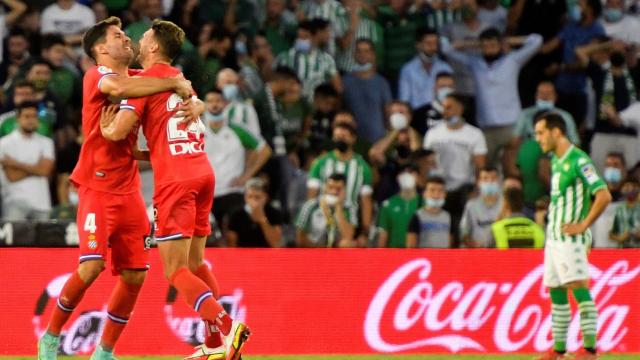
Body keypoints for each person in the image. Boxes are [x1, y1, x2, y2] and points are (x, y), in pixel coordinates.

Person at [37, 16, 195, 360]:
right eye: (118, 35)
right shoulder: (98, 76)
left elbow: (174, 79)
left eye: (126, 34)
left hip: (129, 190)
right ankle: (50, 336)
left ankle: (104, 351)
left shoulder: (138, 79)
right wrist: (174, 86)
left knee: (135, 274)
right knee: (91, 267)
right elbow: (125, 89)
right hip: (96, 187)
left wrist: (190, 98)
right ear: (99, 49)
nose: (127, 39)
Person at [98, 19, 250, 359]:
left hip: (176, 183)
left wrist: (106, 130)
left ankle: (228, 327)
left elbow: (119, 129)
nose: (138, 39)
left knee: (175, 270)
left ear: (153, 48)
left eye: (145, 36)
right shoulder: (180, 81)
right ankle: (214, 347)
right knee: (197, 262)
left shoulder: (143, 84)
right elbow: (171, 135)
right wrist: (140, 152)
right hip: (201, 171)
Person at [533, 112, 612, 360]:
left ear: (556, 132)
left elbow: (604, 195)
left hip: (570, 239)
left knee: (579, 289)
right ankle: (558, 350)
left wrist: (584, 225)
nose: (538, 139)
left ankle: (589, 350)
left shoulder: (579, 160)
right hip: (554, 239)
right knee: (556, 293)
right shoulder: (556, 160)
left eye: (540, 133)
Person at [441, 27, 543, 168]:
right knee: (486, 168)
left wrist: (506, 40)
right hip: (486, 127)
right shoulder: (475, 63)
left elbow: (537, 41)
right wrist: (474, 44)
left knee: (514, 167)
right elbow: (446, 48)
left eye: (493, 45)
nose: (489, 48)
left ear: (500, 45)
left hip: (511, 126)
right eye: (485, 45)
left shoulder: (512, 60)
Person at [203, 89, 272, 232]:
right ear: (204, 104)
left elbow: (265, 151)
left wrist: (246, 176)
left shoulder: (236, 129)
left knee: (232, 233)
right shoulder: (197, 130)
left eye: (218, 101)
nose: (214, 105)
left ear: (225, 103)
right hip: (205, 193)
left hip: (232, 191)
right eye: (210, 101)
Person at [423, 92, 487, 245]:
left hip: (464, 188)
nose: (445, 112)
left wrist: (477, 188)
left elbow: (480, 165)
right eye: (444, 108)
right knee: (441, 227)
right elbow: (426, 163)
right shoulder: (433, 134)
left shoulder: (474, 134)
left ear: (461, 109)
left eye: (450, 108)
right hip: (439, 188)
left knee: (461, 228)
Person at [307, 121, 373, 246]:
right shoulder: (320, 163)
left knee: (345, 245)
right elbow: (311, 197)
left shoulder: (362, 167)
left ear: (353, 139)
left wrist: (365, 232)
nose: (339, 140)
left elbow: (366, 202)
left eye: (344, 136)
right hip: (322, 212)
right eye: (336, 136)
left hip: (348, 214)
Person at [0, 101, 54, 221]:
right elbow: (12, 176)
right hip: (14, 202)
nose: (31, 120)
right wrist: (36, 168)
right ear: (18, 119)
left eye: (34, 116)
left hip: (42, 203)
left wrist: (16, 164)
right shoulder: (4, 143)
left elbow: (45, 171)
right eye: (27, 116)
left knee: (45, 240)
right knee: (14, 240)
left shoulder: (46, 142)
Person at [342, 38, 392, 143]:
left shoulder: (382, 82)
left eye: (366, 51)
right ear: (353, 55)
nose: (362, 54)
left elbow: (387, 112)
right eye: (359, 51)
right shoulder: (345, 82)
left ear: (373, 54)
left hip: (378, 140)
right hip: (354, 140)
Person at [296, 173, 357, 247]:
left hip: (336, 251)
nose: (334, 192)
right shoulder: (310, 206)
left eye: (338, 189)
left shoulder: (349, 208)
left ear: (345, 190)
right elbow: (299, 237)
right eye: (330, 187)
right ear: (325, 188)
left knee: (347, 244)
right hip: (314, 248)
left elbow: (348, 236)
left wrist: (338, 210)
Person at [398, 26, 453, 110]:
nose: (433, 48)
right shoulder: (408, 70)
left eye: (435, 43)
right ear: (418, 45)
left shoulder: (445, 68)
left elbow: (451, 98)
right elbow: (404, 101)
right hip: (417, 118)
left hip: (440, 117)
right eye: (428, 43)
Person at [226, 177, 283, 247]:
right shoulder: (236, 215)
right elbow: (232, 245)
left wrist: (262, 220)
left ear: (266, 197)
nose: (253, 201)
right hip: (244, 256)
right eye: (250, 196)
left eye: (257, 197)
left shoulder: (274, 213)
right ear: (245, 197)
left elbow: (276, 243)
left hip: (267, 256)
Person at [377, 165, 422, 248]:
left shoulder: (424, 203)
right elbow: (383, 234)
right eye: (403, 173)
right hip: (394, 254)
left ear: (418, 177)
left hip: (420, 254)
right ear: (398, 178)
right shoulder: (388, 205)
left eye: (410, 173)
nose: (407, 176)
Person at [460, 167, 503, 248]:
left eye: (493, 178)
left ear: (499, 181)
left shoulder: (505, 205)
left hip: (500, 253)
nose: (489, 182)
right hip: (477, 253)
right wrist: (473, 245)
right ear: (478, 182)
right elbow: (464, 232)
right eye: (485, 178)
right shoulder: (471, 205)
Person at [406, 176, 451, 248]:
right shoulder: (417, 216)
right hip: (424, 258)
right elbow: (411, 246)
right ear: (425, 194)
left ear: (445, 194)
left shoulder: (448, 217)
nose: (436, 195)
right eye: (432, 190)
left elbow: (450, 245)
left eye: (440, 190)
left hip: (443, 258)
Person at [217, 68, 262, 138]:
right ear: (218, 84)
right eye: (227, 83)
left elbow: (256, 137)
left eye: (233, 83)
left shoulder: (247, 109)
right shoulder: (210, 110)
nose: (230, 86)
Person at [609, 178, 640, 248]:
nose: (629, 189)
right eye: (626, 186)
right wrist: (620, 238)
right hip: (623, 250)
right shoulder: (619, 209)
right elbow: (611, 234)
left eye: (633, 186)